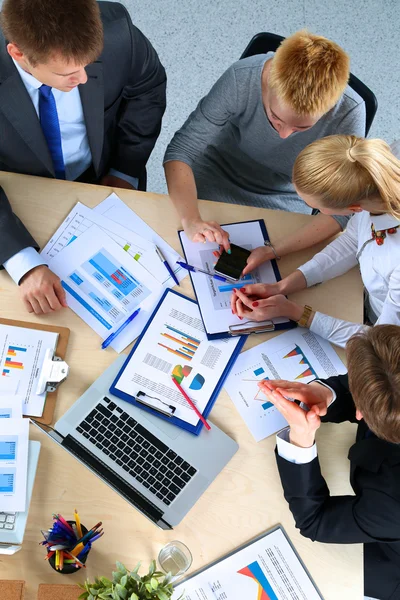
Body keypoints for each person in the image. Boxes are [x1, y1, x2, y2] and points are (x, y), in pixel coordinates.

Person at [0, 0, 166, 315]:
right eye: (68, 72)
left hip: (103, 172)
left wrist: (125, 169)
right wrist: (22, 260)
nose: (85, 80)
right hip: (18, 194)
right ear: (18, 54)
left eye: (87, 65)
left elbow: (148, 90)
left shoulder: (117, 31)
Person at [163, 30, 366, 253]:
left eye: (302, 128)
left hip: (286, 195)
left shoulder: (349, 113)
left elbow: (344, 208)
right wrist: (191, 219)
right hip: (215, 172)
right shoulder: (241, 78)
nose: (284, 135)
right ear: (268, 83)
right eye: (276, 119)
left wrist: (275, 250)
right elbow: (182, 150)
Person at [258, 325, 400, 600]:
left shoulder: (391, 505)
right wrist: (327, 394)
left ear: (360, 412)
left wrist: (301, 438)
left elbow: (315, 521)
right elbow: (387, 382)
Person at [231, 136, 400, 348]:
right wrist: (282, 286)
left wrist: (295, 312)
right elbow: (353, 240)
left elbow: (384, 342)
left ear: (354, 208)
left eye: (318, 208)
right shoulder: (377, 172)